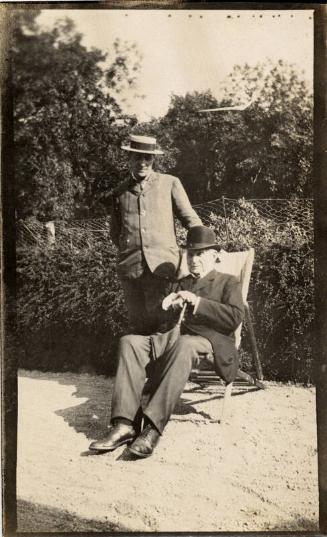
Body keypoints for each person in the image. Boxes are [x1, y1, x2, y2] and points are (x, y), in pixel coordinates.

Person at [89, 225, 245, 459]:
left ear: (214, 255)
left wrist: (197, 302)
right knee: (130, 342)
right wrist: (165, 306)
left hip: (210, 342)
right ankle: (124, 424)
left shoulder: (227, 282)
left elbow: (235, 317)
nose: (194, 260)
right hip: (172, 338)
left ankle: (152, 428)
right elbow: (158, 323)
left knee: (185, 345)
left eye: (200, 254)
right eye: (191, 254)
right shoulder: (181, 283)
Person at [110, 134, 202, 334]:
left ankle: (163, 364)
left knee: (164, 323)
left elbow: (191, 221)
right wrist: (131, 253)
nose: (142, 163)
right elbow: (115, 232)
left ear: (153, 160)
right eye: (137, 157)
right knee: (138, 325)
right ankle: (142, 365)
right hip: (131, 270)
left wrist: (200, 251)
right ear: (129, 159)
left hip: (163, 268)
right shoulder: (120, 192)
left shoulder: (170, 183)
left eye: (147, 158)